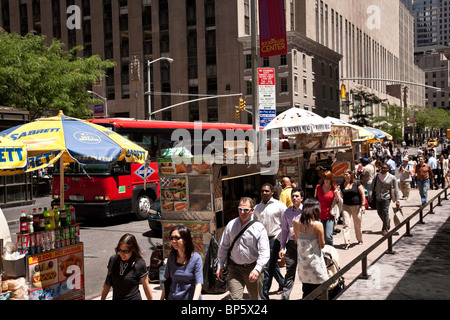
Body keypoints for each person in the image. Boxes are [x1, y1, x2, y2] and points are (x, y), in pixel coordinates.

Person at [216, 197, 270, 300]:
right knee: (234, 298)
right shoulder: (231, 225)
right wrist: (220, 265)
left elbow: (264, 252)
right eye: (240, 209)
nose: (242, 212)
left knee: (255, 298)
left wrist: (257, 269)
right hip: (235, 269)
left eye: (246, 210)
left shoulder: (259, 228)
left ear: (252, 210)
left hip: (253, 268)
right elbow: (223, 246)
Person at [253, 183, 287, 300]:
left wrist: (283, 241)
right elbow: (254, 224)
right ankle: (283, 283)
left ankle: (263, 296)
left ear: (272, 192)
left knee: (267, 268)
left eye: (267, 191)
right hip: (261, 240)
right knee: (271, 265)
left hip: (274, 239)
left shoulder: (280, 206)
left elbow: (286, 224)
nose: (264, 193)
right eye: (262, 191)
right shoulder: (257, 208)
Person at [293, 198, 329, 299]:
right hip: (315, 264)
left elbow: (297, 240)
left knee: (306, 291)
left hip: (303, 265)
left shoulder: (296, 223)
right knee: (319, 292)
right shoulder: (318, 225)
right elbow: (322, 245)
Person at [101, 233, 153, 300]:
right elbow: (107, 283)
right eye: (120, 250)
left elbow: (146, 286)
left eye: (125, 251)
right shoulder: (113, 260)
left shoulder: (139, 264)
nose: (122, 254)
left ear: (133, 250)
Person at [161, 225, 203, 300]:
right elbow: (167, 280)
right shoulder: (171, 256)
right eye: (171, 238)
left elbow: (198, 284)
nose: (173, 241)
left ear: (185, 240)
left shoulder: (196, 258)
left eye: (177, 238)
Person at [279, 188, 303, 300]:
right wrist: (282, 247)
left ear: (301, 198)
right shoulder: (287, 212)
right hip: (291, 245)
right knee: (290, 272)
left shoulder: (306, 211)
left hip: (304, 244)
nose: (294, 198)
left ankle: (307, 295)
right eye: (293, 196)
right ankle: (285, 296)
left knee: (304, 272)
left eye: (297, 196)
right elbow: (284, 231)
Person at [369, 164, 400, 236]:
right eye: (382, 168)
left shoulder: (392, 177)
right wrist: (370, 195)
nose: (383, 169)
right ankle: (387, 222)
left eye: (385, 168)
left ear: (388, 169)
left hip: (387, 197)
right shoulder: (376, 176)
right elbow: (372, 186)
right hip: (378, 197)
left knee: (385, 211)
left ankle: (385, 229)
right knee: (379, 212)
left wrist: (398, 200)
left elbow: (396, 189)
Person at [339, 170, 365, 249]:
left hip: (356, 206)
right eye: (344, 175)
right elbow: (341, 196)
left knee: (357, 224)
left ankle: (359, 239)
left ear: (351, 175)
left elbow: (362, 193)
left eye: (347, 174)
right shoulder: (342, 185)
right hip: (346, 206)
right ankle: (347, 242)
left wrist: (363, 205)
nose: (345, 176)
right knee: (346, 224)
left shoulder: (356, 183)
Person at [315, 170, 340, 246]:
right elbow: (314, 199)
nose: (326, 180)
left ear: (331, 179)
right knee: (320, 236)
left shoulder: (335, 188)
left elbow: (339, 201)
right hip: (320, 215)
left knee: (328, 236)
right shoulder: (318, 187)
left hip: (330, 214)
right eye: (325, 178)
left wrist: (337, 195)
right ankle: (322, 252)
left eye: (328, 179)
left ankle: (330, 252)